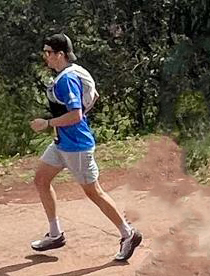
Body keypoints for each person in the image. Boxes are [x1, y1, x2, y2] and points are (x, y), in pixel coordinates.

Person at [29, 34, 142, 262]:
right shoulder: (75, 71)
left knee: (94, 192)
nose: (45, 56)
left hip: (76, 147)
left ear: (60, 54)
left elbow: (76, 113)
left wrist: (48, 123)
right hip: (62, 143)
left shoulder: (66, 80)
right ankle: (55, 234)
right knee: (41, 179)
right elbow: (93, 97)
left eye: (48, 52)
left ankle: (128, 234)